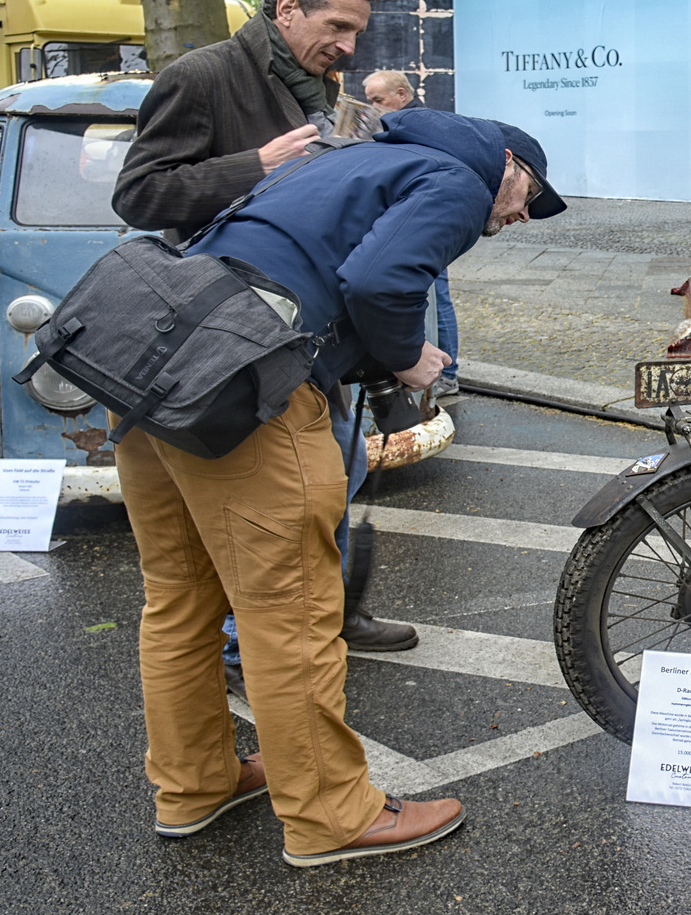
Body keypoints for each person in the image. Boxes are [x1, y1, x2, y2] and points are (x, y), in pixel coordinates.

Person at [120, 109, 566, 866]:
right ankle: (330, 816)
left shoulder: (345, 159)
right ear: (510, 164)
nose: (521, 213)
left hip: (147, 357)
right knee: (289, 613)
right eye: (529, 195)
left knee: (181, 600)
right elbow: (379, 278)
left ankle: (195, 784)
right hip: (244, 379)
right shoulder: (461, 177)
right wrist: (407, 358)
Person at [111, 0, 420, 680]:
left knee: (334, 471)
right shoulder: (203, 75)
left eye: (357, 32)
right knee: (253, 503)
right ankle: (240, 639)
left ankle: (335, 609)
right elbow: (139, 195)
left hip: (311, 329)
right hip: (226, 333)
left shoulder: (325, 86)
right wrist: (253, 165)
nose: (349, 45)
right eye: (337, 26)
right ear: (286, 10)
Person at [363, 70, 458, 399]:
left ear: (401, 94)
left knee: (437, 297)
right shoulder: (411, 123)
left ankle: (447, 373)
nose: (372, 106)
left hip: (422, 223)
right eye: (370, 100)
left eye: (377, 99)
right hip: (416, 222)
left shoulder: (413, 126)